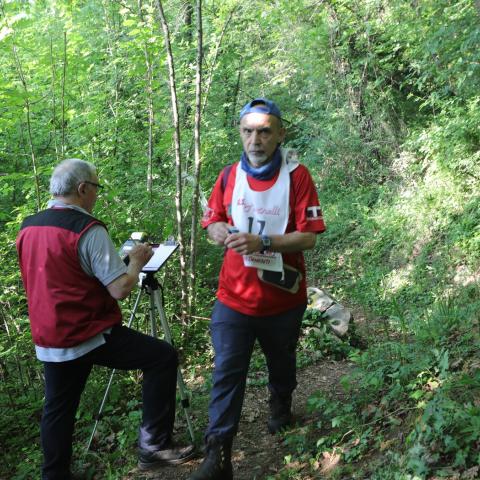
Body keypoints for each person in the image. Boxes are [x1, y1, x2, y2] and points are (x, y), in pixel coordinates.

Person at [16, 159, 195, 480]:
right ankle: (153, 447)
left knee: (58, 408)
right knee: (162, 357)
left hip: (50, 335)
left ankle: (54, 474)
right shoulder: (88, 229)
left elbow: (58, 275)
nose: (96, 194)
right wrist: (137, 261)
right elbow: (120, 289)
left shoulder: (29, 226)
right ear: (82, 189)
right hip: (89, 332)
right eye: (96, 188)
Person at [189, 98, 326, 480]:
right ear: (240, 133)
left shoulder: (297, 176)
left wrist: (262, 242)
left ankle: (280, 404)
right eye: (248, 131)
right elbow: (213, 218)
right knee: (227, 373)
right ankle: (217, 454)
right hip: (233, 298)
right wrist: (214, 229)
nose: (256, 139)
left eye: (265, 131)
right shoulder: (228, 175)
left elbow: (308, 238)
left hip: (282, 298)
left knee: (281, 362)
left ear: (280, 134)